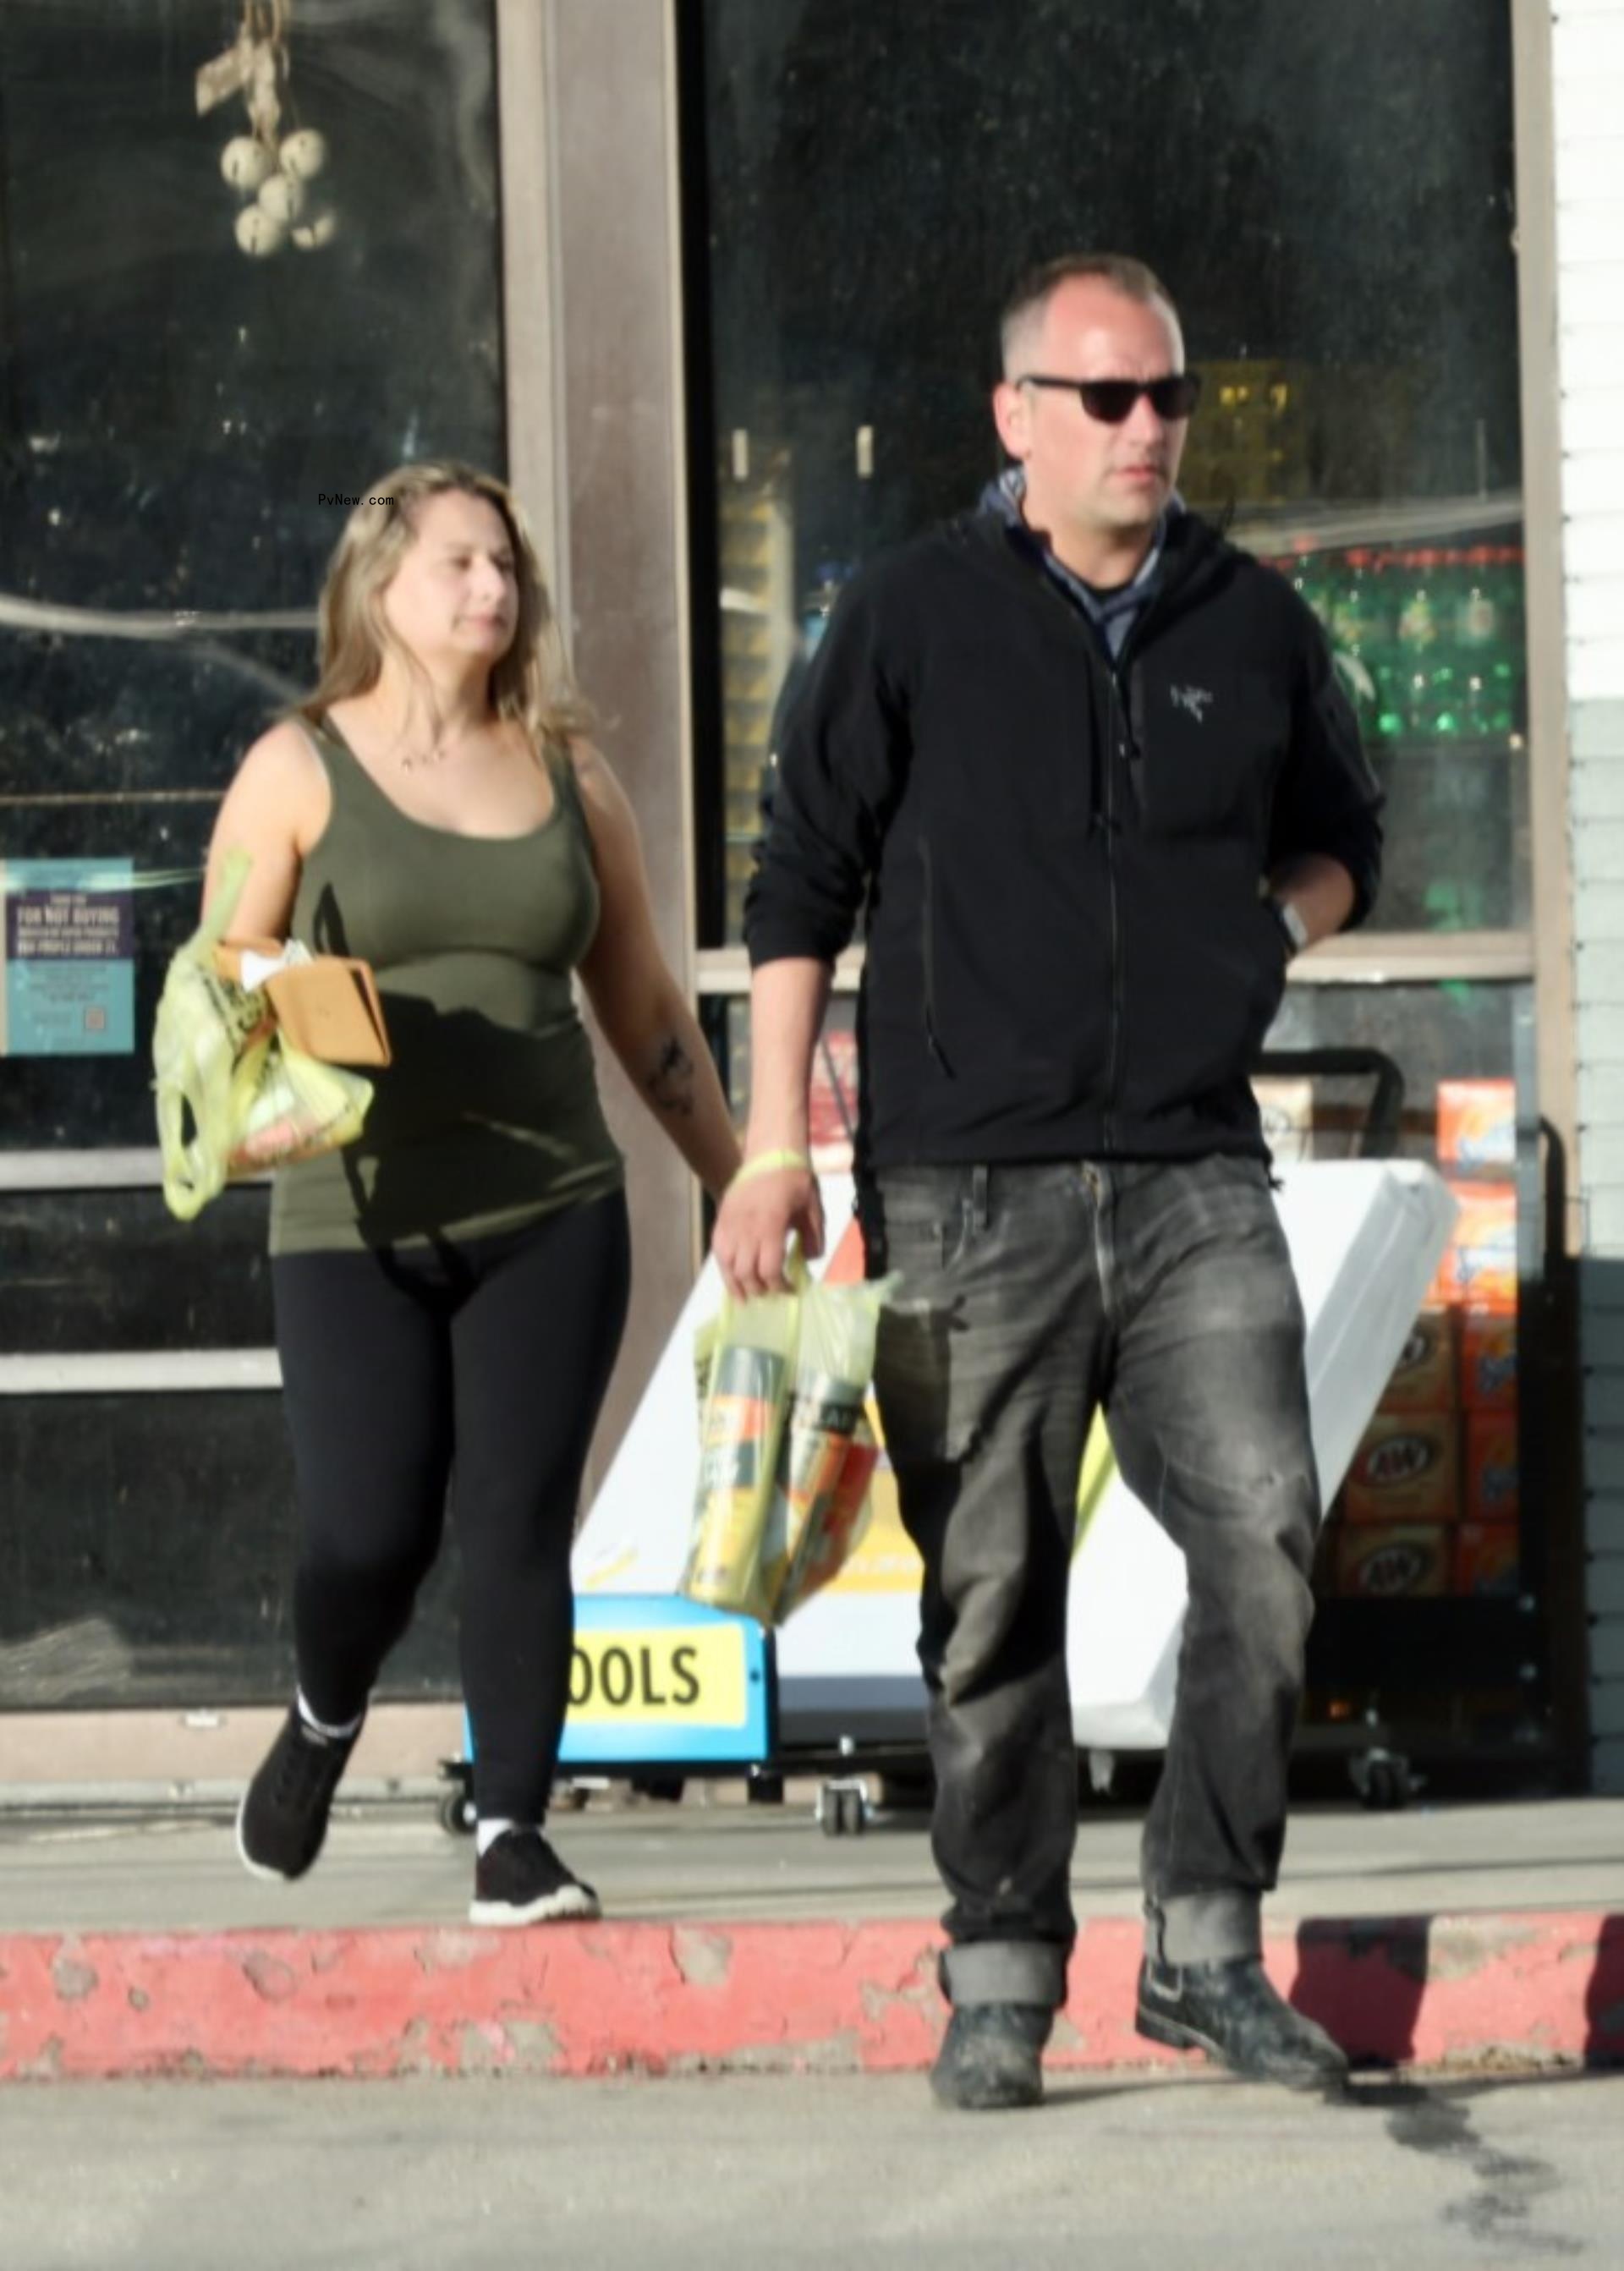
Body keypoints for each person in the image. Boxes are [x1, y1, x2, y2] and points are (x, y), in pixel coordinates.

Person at [713, 255, 1383, 2109]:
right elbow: (799, 888)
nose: (1149, 426)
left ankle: (1211, 1943)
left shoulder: (1251, 621)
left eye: (1166, 393)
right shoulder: (911, 614)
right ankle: (1002, 1967)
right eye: (1108, 398)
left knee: (1263, 1532)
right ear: (1016, 417)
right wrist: (776, 1140)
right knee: (986, 1589)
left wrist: (1266, 931)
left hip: (1189, 1174)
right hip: (964, 1187)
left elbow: (1352, 836)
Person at [207, 461, 740, 1924]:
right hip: (351, 1218)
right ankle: (324, 1715)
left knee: (515, 1518)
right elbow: (217, 978)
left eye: (504, 565)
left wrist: (745, 1178)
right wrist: (267, 1061)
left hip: (550, 1206)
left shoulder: (571, 772)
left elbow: (644, 1014)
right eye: (459, 564)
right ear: (382, 583)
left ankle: (514, 1830)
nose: (492, 590)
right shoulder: (296, 766)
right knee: (368, 1531)